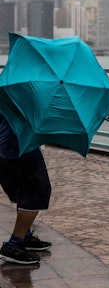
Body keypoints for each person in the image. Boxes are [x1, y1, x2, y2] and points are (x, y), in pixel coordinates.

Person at [0, 113, 52, 264]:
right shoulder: (27, 94)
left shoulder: (11, 92)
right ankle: (13, 245)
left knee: (24, 194)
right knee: (37, 194)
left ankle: (24, 235)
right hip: (20, 148)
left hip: (8, 147)